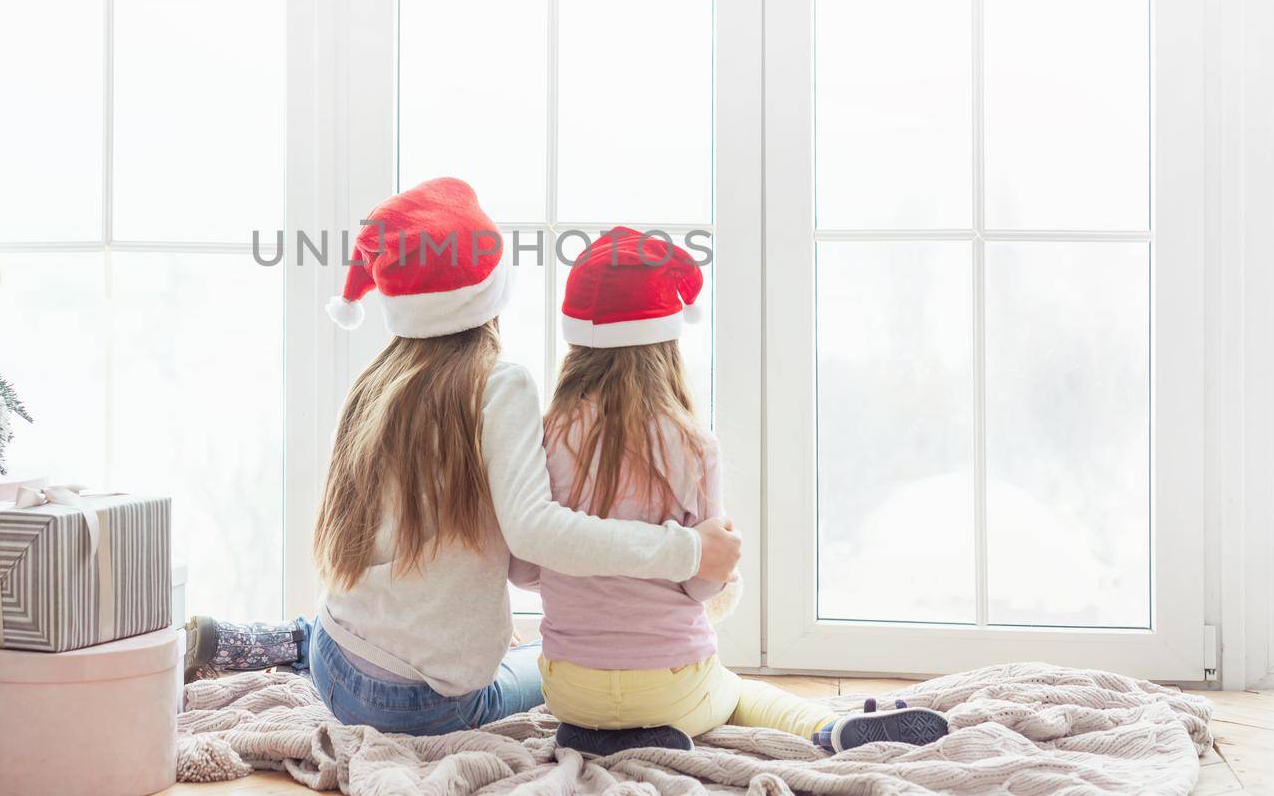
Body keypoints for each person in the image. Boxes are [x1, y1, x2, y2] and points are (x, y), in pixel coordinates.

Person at [183, 179, 743, 735]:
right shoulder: (500, 387)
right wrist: (689, 550)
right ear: (492, 291)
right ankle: (295, 640)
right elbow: (534, 536)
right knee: (540, 669)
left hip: (337, 664)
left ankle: (286, 640)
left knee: (373, 619)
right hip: (424, 707)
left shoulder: (378, 384)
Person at [510, 227, 949, 755]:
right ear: (666, 345)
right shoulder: (693, 446)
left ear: (576, 343)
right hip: (672, 686)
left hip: (570, 690)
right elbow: (701, 585)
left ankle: (603, 731)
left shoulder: (542, 437)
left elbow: (526, 569)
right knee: (738, 691)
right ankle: (827, 730)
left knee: (595, 685)